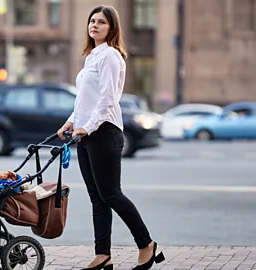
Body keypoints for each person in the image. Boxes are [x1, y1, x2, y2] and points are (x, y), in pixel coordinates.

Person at [57, 6, 165, 270]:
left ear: (112, 28)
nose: (94, 25)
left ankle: (146, 245)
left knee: (112, 195)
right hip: (85, 133)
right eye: (92, 21)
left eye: (101, 22)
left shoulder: (111, 57)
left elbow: (107, 98)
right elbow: (86, 99)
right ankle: (103, 255)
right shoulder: (92, 56)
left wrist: (88, 126)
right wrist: (72, 122)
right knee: (97, 198)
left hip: (104, 132)